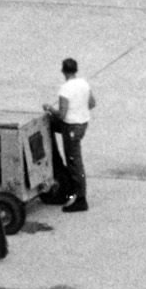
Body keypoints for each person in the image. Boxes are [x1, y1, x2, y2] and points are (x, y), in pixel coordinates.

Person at [53, 58, 95, 211]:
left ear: (63, 71)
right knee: (74, 160)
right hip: (82, 125)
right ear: (75, 70)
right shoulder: (84, 84)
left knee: (74, 162)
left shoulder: (65, 89)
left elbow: (62, 114)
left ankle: (80, 198)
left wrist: (50, 109)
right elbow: (92, 104)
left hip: (71, 127)